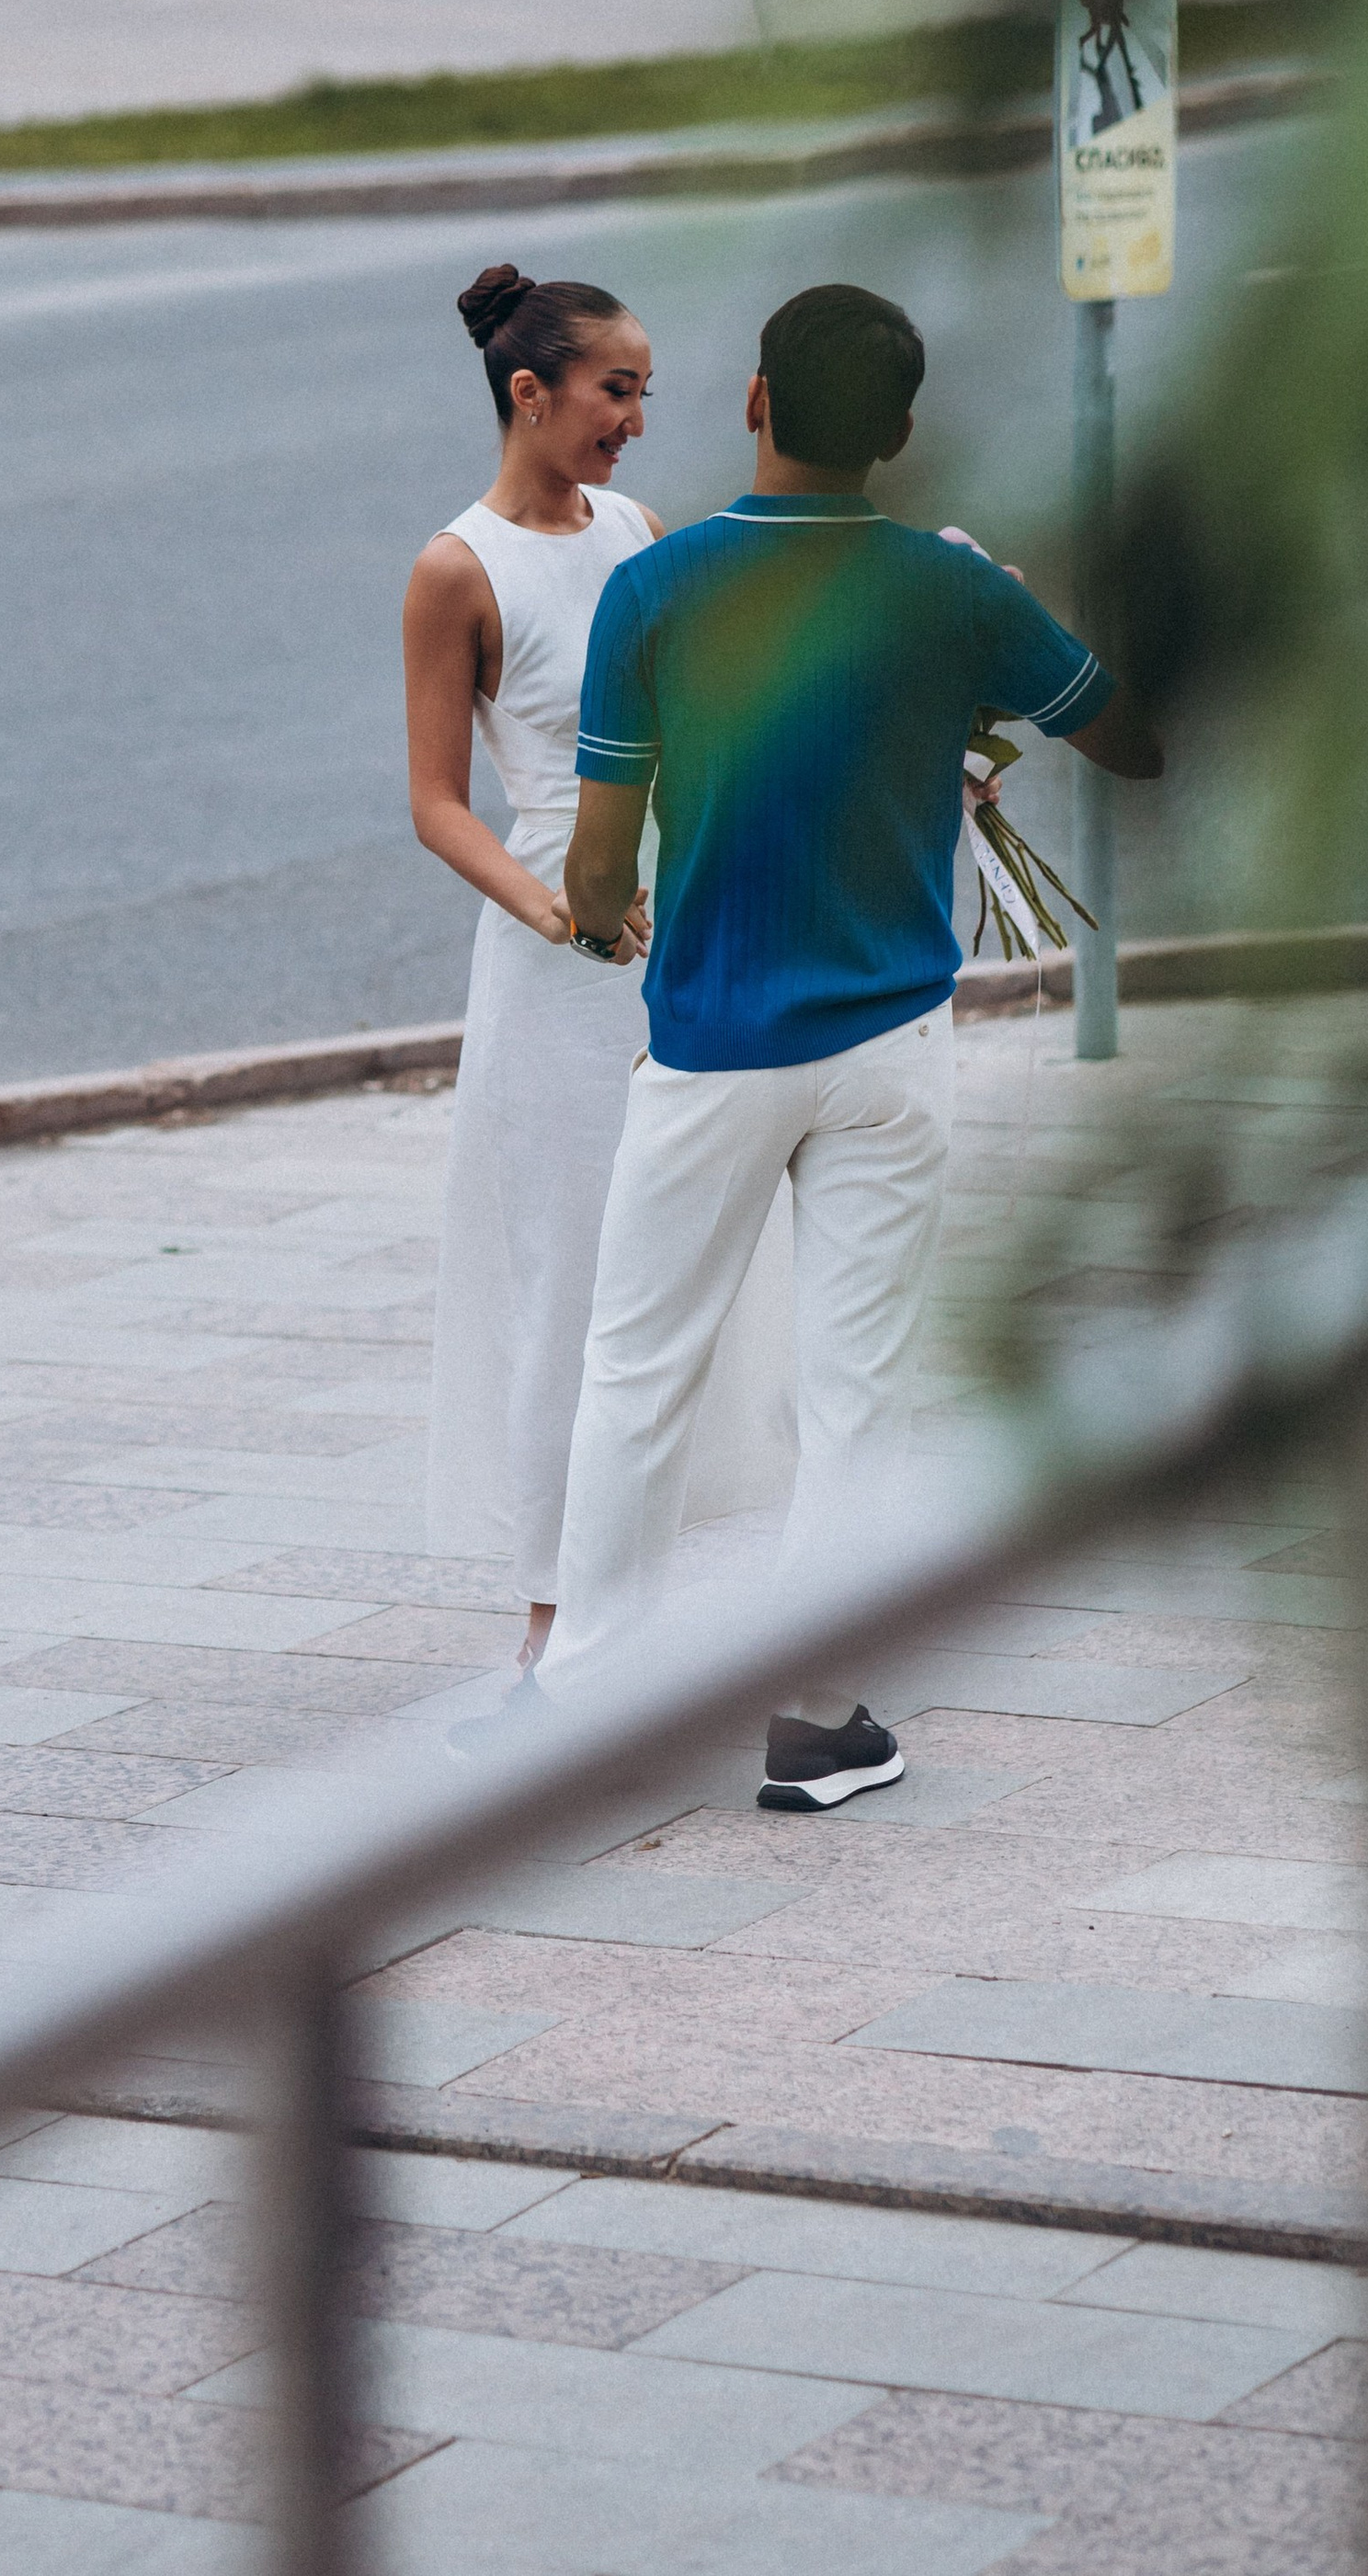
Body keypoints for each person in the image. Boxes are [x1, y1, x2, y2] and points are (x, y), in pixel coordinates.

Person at [536, 280, 1163, 1806]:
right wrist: (989, 649)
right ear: (896, 433)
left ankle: (585, 1709)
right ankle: (819, 1721)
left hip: (710, 1035)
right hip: (891, 1041)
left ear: (753, 400)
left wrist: (610, 918)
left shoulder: (659, 591)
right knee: (854, 1387)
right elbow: (1128, 735)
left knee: (637, 1368)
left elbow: (603, 866)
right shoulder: (948, 592)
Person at [405, 267, 795, 1676]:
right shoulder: (459, 568)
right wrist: (557, 910)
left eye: (643, 393)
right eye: (615, 391)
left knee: (689, 1260)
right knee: (567, 1275)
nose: (636, 420)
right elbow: (439, 800)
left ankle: (645, 1577)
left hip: (679, 927)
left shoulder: (636, 529)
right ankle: (550, 1618)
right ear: (532, 393)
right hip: (558, 961)